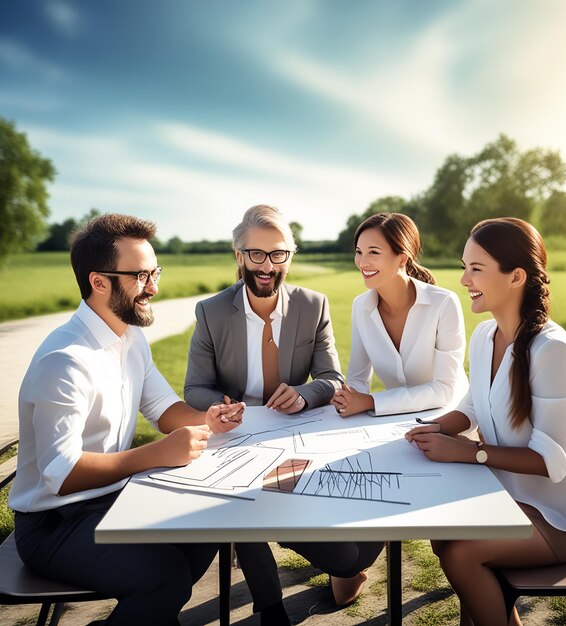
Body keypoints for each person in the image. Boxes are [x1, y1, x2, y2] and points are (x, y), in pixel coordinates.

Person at [9, 214, 245, 626]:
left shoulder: (129, 336)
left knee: (208, 524)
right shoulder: (65, 361)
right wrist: (156, 454)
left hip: (108, 499)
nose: (154, 287)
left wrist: (209, 418)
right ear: (99, 282)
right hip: (53, 524)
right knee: (164, 577)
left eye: (155, 272)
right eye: (140, 275)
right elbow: (60, 475)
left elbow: (163, 408)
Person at [184, 204, 383, 625]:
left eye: (278, 255)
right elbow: (194, 388)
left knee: (346, 553)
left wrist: (305, 395)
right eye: (256, 254)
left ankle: (346, 570)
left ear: (288, 257)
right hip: (234, 437)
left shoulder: (313, 305)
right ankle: (270, 608)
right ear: (239, 255)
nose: (266, 266)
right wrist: (221, 407)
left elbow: (332, 377)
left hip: (296, 435)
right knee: (246, 504)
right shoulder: (211, 311)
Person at [405, 217, 566, 626]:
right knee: (441, 534)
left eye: (475, 268)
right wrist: (435, 429)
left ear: (516, 277)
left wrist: (469, 453)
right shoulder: (484, 336)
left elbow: (553, 461)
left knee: (461, 552)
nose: (463, 279)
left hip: (557, 520)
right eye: (464, 266)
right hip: (511, 502)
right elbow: (473, 407)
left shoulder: (552, 350)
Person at [331, 212, 468, 417]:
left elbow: (444, 389)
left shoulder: (444, 303)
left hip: (449, 417)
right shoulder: (361, 306)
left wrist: (370, 401)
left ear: (402, 258)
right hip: (395, 421)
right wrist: (348, 397)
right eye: (359, 252)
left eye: (374, 252)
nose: (362, 262)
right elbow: (358, 378)